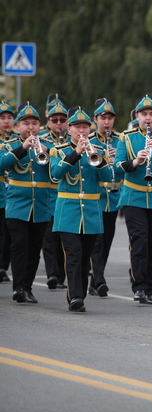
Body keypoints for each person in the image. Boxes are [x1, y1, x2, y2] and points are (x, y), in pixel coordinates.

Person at [50, 107, 112, 312]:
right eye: (77, 127)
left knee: (86, 257)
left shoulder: (98, 151)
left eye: (85, 126)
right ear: (69, 129)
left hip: (91, 213)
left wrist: (98, 158)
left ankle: (81, 294)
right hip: (68, 212)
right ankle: (75, 297)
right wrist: (76, 153)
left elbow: (108, 178)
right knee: (74, 254)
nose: (82, 131)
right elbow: (56, 173)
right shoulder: (58, 150)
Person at [115, 95, 152, 305]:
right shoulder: (127, 137)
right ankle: (139, 286)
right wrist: (136, 161)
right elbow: (117, 167)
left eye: (151, 115)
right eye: (144, 115)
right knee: (140, 241)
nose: (147, 119)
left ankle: (149, 289)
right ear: (137, 116)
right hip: (134, 197)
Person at [0, 103, 53, 304]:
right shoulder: (8, 145)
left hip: (40, 206)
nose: (30, 128)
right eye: (26, 124)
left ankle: (28, 287)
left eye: (34, 123)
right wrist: (22, 148)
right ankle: (18, 287)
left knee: (33, 249)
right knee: (19, 246)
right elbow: (1, 165)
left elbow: (56, 174)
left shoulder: (49, 146)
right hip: (17, 206)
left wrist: (48, 153)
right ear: (17, 126)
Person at [88, 98, 123, 297]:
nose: (107, 122)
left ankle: (94, 281)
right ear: (96, 120)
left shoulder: (120, 141)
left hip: (114, 197)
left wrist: (118, 157)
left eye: (110, 118)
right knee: (97, 241)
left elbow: (125, 167)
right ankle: (99, 280)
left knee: (107, 241)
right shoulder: (90, 141)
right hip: (96, 196)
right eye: (103, 118)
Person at [40, 94, 69, 290]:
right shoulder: (41, 140)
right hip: (48, 194)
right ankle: (52, 274)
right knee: (48, 236)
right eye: (54, 120)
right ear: (48, 121)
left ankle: (61, 274)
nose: (59, 124)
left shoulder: (74, 140)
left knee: (62, 237)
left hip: (65, 194)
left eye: (62, 120)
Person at [0, 101, 15, 284]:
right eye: (2, 118)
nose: (6, 121)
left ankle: (3, 266)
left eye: (9, 118)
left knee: (7, 233)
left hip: (10, 193)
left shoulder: (16, 140)